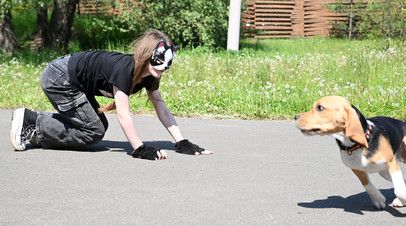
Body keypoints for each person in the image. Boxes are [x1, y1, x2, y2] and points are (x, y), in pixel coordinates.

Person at [10, 29, 212, 160]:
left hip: (70, 79)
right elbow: (123, 114)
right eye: (160, 60)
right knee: (94, 131)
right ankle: (31, 121)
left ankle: (35, 126)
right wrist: (139, 148)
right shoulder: (125, 70)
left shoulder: (149, 74)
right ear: (147, 54)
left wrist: (181, 141)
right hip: (60, 78)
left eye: (168, 62)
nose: (164, 68)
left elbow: (161, 107)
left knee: (98, 126)